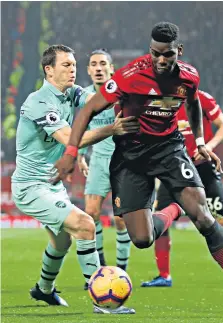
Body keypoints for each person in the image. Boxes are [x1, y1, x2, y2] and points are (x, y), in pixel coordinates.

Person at [53, 23, 223, 318]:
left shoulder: (189, 76)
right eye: (155, 53)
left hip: (170, 149)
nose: (160, 60)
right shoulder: (130, 75)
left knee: (205, 218)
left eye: (166, 54)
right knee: (142, 239)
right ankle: (173, 210)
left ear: (177, 51)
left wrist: (202, 142)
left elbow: (193, 103)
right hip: (131, 156)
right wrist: (70, 152)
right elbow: (89, 109)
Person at [11, 44, 138, 314]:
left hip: (52, 185)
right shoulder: (39, 101)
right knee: (85, 224)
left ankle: (43, 290)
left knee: (62, 241)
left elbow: (100, 97)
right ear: (49, 70)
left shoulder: (71, 93)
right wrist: (111, 129)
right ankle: (102, 301)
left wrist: (135, 87)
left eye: (74, 65)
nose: (73, 69)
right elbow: (70, 139)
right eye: (66, 65)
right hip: (30, 186)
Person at [141, 90, 223, 287]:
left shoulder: (202, 98)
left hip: (203, 167)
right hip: (174, 168)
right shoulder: (163, 102)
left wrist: (209, 146)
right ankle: (164, 275)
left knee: (221, 219)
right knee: (161, 218)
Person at [78, 49, 132, 290]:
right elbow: (79, 126)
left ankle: (121, 270)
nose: (98, 68)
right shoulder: (84, 96)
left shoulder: (123, 93)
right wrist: (80, 156)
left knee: (121, 220)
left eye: (102, 64)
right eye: (93, 64)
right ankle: (99, 267)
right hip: (99, 159)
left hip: (123, 161)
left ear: (111, 68)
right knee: (90, 212)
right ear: (88, 70)